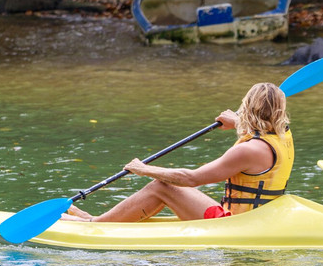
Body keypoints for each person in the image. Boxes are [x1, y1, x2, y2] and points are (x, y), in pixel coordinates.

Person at [62, 82, 293, 222]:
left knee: (162, 185)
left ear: (248, 107)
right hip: (257, 218)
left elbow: (191, 179)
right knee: (164, 186)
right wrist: (239, 123)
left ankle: (96, 222)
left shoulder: (247, 150)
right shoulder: (283, 136)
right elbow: (257, 136)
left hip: (231, 222)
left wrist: (145, 169)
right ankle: (106, 218)